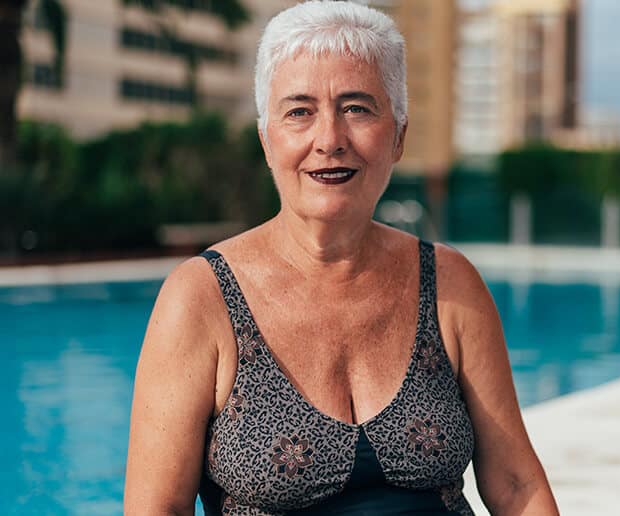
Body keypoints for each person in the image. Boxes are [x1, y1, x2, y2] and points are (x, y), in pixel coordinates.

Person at [124, 1, 558, 514]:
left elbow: (515, 485)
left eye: (357, 108)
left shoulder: (450, 284)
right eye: (299, 112)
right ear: (267, 140)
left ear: (398, 136)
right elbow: (157, 508)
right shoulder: (200, 298)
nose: (329, 139)